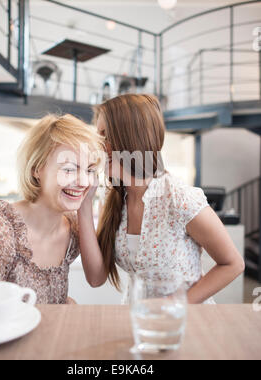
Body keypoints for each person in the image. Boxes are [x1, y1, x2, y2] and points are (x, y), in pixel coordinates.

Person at [79, 94, 245, 304]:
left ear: (130, 137)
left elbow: (233, 264)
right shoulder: (113, 199)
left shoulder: (180, 198)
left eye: (105, 135)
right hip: (139, 320)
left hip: (186, 321)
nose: (98, 146)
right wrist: (83, 208)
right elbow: (95, 278)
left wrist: (174, 304)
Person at [0, 114, 105, 304]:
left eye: (90, 170)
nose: (84, 181)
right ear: (37, 169)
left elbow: (96, 278)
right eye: (69, 169)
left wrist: (65, 304)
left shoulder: (73, 230)